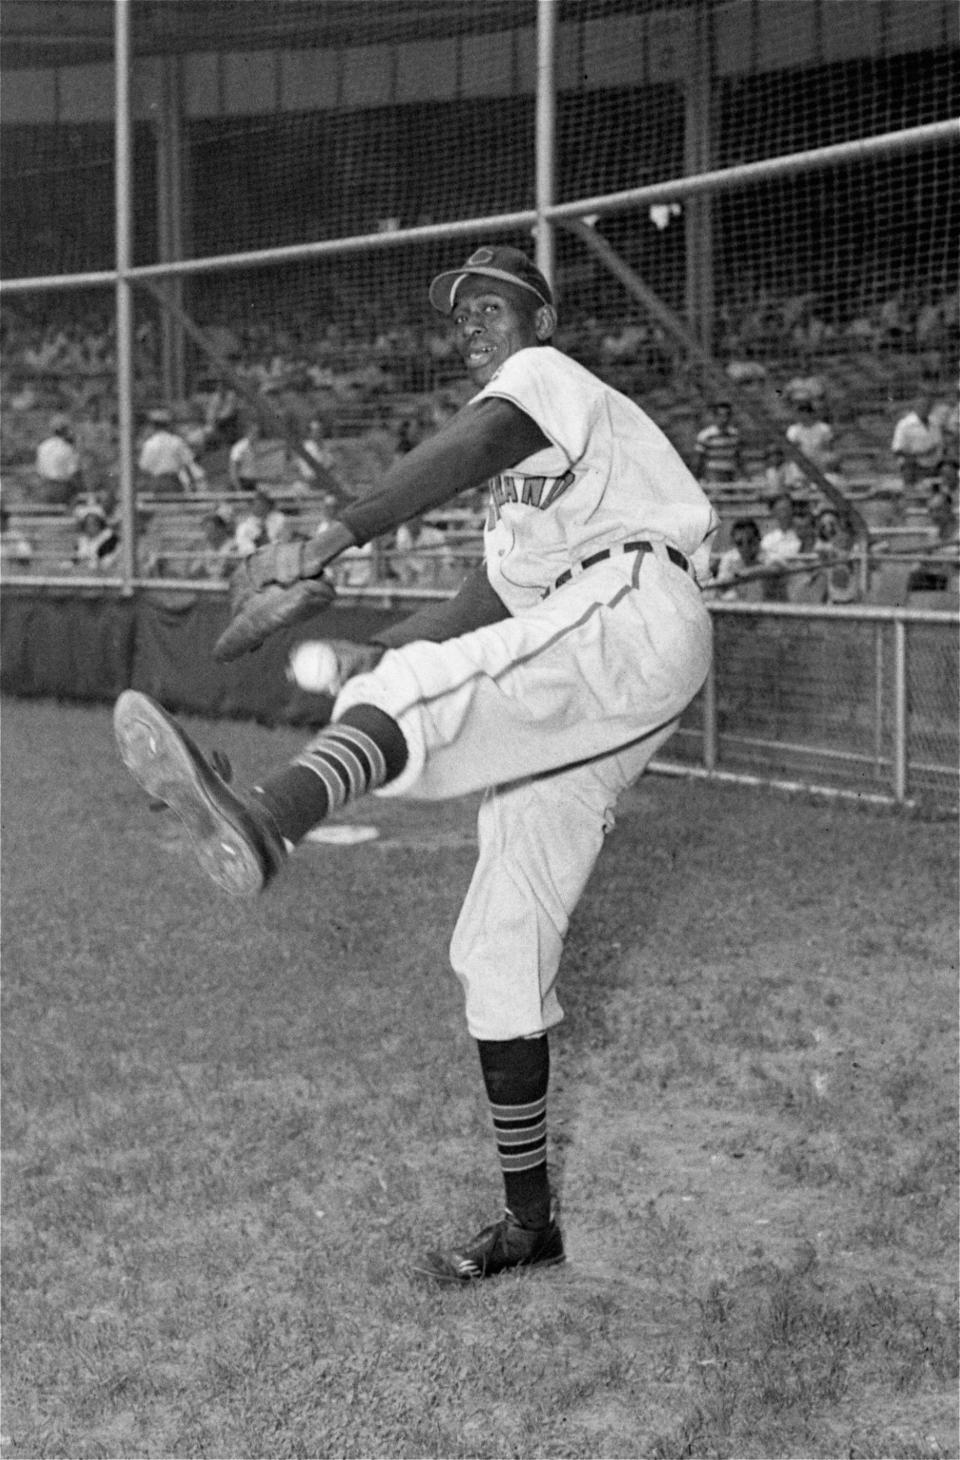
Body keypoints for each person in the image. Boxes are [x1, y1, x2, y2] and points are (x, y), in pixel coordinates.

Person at [114, 243, 718, 1283]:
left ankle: (270, 812)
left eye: (490, 304)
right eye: (460, 311)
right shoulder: (524, 513)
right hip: (607, 665)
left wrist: (332, 535)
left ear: (536, 314)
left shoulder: (545, 383)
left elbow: (476, 439)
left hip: (632, 604)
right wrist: (372, 647)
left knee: (409, 700)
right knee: (501, 937)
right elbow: (480, 613)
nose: (471, 322)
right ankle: (530, 1221)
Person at [137, 409, 207, 494]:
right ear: (168, 425)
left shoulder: (149, 444)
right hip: (173, 481)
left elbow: (144, 466)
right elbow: (188, 462)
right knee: (174, 504)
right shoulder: (176, 441)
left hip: (156, 482)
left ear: (153, 426)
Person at [705, 517, 770, 602]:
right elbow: (722, 586)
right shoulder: (729, 558)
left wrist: (748, 572)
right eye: (739, 543)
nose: (745, 547)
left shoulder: (768, 557)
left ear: (758, 539)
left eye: (750, 541)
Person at [890, 392, 944, 489]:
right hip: (914, 465)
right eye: (922, 405)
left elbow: (939, 445)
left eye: (928, 405)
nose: (925, 408)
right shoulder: (904, 425)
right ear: (915, 406)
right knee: (908, 467)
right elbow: (897, 450)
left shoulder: (935, 423)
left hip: (936, 463)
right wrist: (922, 454)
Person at [392, 514, 456, 590]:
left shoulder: (435, 535)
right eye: (409, 519)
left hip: (433, 579)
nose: (412, 522)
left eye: (415, 518)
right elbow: (400, 560)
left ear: (420, 519)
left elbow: (448, 561)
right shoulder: (402, 533)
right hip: (410, 581)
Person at [783, 400, 838, 489]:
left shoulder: (824, 428)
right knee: (793, 469)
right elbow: (791, 451)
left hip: (820, 465)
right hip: (802, 466)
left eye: (806, 412)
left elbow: (830, 448)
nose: (803, 415)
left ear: (812, 413)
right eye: (800, 412)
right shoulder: (793, 430)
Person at [34, 413, 82, 506]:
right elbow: (73, 472)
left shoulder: (43, 446)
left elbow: (39, 471)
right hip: (62, 489)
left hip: (44, 488)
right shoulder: (67, 448)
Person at [694, 401, 743, 486]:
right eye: (721, 415)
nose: (724, 419)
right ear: (715, 416)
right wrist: (698, 478)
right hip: (713, 475)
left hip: (730, 474)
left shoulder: (734, 434)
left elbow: (738, 457)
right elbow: (699, 460)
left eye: (727, 415)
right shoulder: (706, 435)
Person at [234, 489, 292, 558]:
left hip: (279, 554)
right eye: (257, 505)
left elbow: (285, 538)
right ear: (252, 506)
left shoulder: (279, 518)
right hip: (258, 559)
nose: (261, 507)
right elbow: (245, 549)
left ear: (268, 505)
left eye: (263, 504)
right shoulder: (243, 527)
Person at [72, 498, 119, 571]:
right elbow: (78, 558)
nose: (90, 526)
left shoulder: (110, 538)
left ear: (100, 523)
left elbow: (104, 560)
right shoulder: (83, 539)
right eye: (87, 523)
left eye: (94, 523)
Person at [228, 419, 264, 493]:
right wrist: (238, 489)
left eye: (258, 433)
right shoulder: (239, 447)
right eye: (255, 433)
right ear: (248, 433)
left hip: (252, 482)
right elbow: (233, 469)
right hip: (242, 483)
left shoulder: (254, 447)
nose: (257, 436)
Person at [0, 505, 34, 571]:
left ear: (5, 520)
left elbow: (25, 554)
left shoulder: (15, 535)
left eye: (2, 519)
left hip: (10, 569)